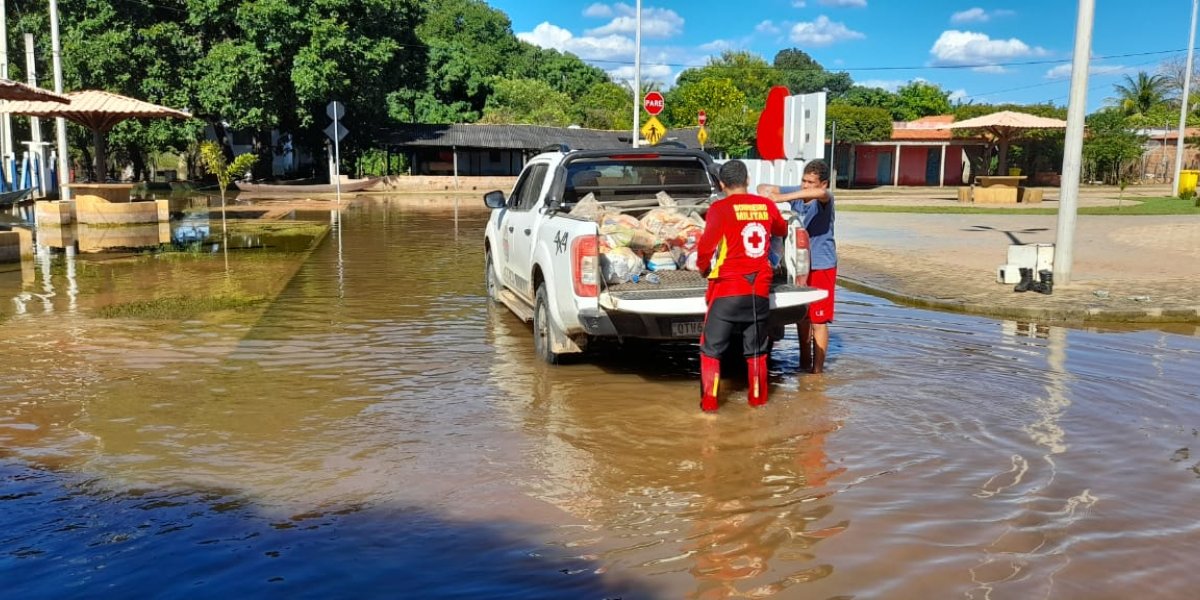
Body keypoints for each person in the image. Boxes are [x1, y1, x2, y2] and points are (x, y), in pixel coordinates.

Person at [696, 160, 789, 412]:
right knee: (757, 353)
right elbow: (782, 228)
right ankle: (758, 406)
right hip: (758, 290)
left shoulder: (720, 208)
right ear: (747, 181)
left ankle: (710, 408)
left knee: (711, 351)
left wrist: (703, 269)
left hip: (727, 290)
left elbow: (706, 248)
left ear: (721, 184)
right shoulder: (766, 205)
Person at [757, 159, 836, 374]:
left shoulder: (825, 199)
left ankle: (817, 372)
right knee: (803, 316)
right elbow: (762, 187)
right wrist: (768, 194)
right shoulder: (800, 192)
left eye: (811, 182)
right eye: (803, 180)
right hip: (800, 266)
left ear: (823, 184)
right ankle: (803, 363)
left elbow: (821, 195)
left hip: (821, 264)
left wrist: (781, 198)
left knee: (819, 320)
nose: (805, 186)